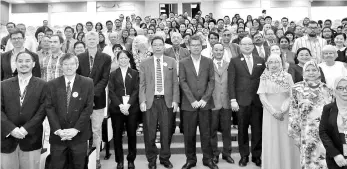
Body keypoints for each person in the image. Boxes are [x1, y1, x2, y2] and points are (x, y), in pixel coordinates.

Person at [46, 53, 94, 169]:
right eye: (65, 64)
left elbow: (88, 108)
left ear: (77, 65)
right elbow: (49, 108)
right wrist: (58, 130)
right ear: (61, 66)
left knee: (79, 165)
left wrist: (76, 129)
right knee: (57, 165)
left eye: (72, 64)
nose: (69, 67)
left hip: (79, 135)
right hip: (58, 136)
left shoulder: (87, 82)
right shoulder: (51, 84)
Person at [139, 36, 179, 169]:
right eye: (155, 45)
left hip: (166, 101)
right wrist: (142, 100)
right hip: (150, 102)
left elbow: (175, 83)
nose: (157, 47)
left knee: (166, 132)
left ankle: (164, 158)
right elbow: (142, 84)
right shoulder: (145, 63)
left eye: (160, 44)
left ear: (164, 46)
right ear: (151, 46)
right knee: (149, 133)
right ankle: (151, 159)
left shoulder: (171, 61)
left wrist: (175, 100)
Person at [1, 51, 46, 169]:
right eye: (20, 61)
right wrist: (11, 129)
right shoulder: (3, 85)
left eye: (27, 61)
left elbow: (42, 111)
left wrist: (26, 129)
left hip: (31, 138)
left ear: (34, 64)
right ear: (15, 64)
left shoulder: (43, 85)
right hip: (7, 139)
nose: (23, 64)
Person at [179, 35, 218, 169]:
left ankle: (208, 159)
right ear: (188, 47)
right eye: (193, 45)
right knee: (189, 134)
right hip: (189, 105)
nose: (196, 47)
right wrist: (192, 100)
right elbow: (182, 82)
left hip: (205, 104)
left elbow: (212, 81)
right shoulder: (183, 62)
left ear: (202, 46)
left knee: (206, 134)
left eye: (198, 45)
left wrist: (204, 99)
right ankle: (191, 160)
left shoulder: (208, 61)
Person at [257, 54, 300, 169]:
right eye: (271, 62)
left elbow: (292, 94)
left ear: (281, 63)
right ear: (267, 64)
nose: (274, 65)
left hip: (285, 112)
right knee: (272, 139)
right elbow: (262, 96)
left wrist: (282, 110)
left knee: (286, 139)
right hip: (269, 112)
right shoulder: (264, 77)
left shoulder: (287, 76)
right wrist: (273, 111)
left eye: (276, 62)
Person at [228, 37, 265, 167]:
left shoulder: (261, 60)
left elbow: (264, 80)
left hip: (257, 102)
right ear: (240, 46)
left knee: (257, 130)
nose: (247, 46)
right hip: (241, 101)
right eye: (244, 44)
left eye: (250, 44)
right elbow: (231, 82)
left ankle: (256, 156)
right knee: (242, 130)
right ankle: (244, 156)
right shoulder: (234, 61)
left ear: (253, 46)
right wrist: (233, 100)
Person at [289, 60, 334, 169]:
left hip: (325, 133)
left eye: (314, 70)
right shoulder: (296, 89)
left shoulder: (327, 89)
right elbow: (293, 112)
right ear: (303, 73)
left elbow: (332, 113)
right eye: (308, 70)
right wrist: (295, 134)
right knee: (308, 161)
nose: (311, 72)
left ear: (319, 72)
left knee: (325, 162)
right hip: (306, 133)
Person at [76, 31, 111, 169]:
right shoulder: (79, 57)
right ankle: (82, 157)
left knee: (96, 130)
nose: (91, 40)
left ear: (98, 40)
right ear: (85, 40)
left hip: (98, 100)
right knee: (82, 129)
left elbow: (104, 79)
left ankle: (96, 158)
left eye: (93, 38)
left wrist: (91, 94)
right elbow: (77, 78)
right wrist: (85, 96)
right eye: (89, 38)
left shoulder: (106, 57)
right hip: (80, 100)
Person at [109, 50, 139, 169]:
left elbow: (136, 90)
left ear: (129, 59)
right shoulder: (112, 74)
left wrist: (128, 105)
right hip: (117, 109)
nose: (123, 60)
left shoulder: (135, 73)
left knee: (132, 134)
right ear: (117, 60)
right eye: (120, 58)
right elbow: (111, 91)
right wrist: (121, 105)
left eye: (125, 58)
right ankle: (119, 161)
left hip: (132, 109)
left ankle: (131, 160)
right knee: (117, 135)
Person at [210, 43, 234, 164]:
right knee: (212, 131)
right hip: (212, 103)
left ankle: (227, 153)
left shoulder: (229, 65)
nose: (219, 52)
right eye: (216, 50)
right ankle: (215, 154)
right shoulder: (207, 65)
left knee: (226, 130)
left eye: (221, 50)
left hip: (226, 102)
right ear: (212, 51)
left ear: (223, 51)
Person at [320, 76, 347, 169]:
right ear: (335, 90)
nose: (344, 90)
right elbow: (323, 132)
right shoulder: (328, 109)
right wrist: (335, 154)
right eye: (340, 88)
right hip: (336, 157)